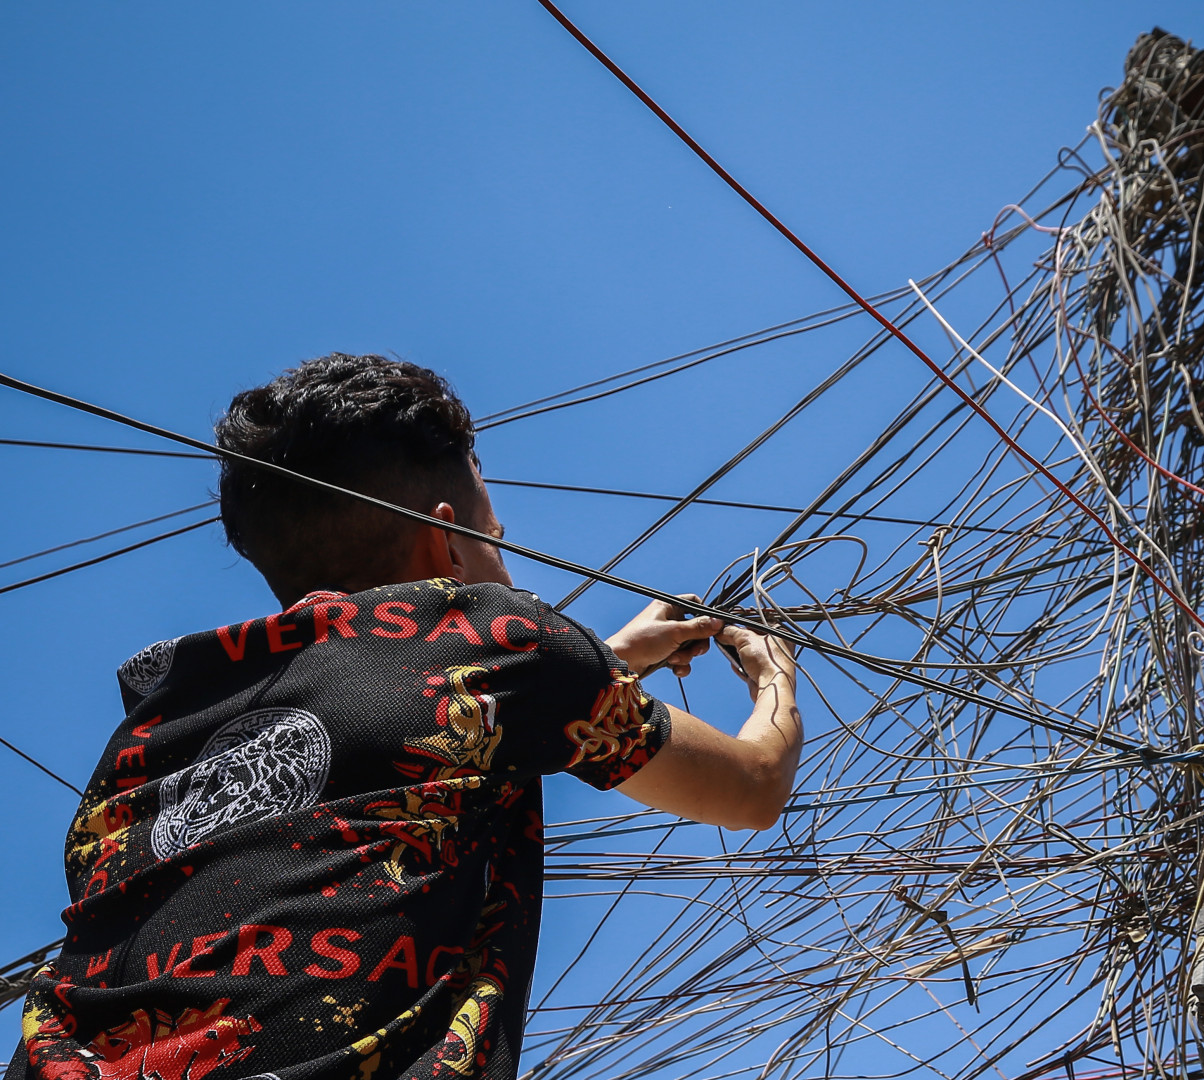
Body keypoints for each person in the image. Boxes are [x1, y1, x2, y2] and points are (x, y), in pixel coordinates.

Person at [6, 354, 802, 1080]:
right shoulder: (507, 643)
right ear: (448, 544)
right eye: (496, 538)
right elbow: (753, 788)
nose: (505, 563)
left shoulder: (155, 722)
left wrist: (614, 657)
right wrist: (774, 679)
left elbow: (397, 714)